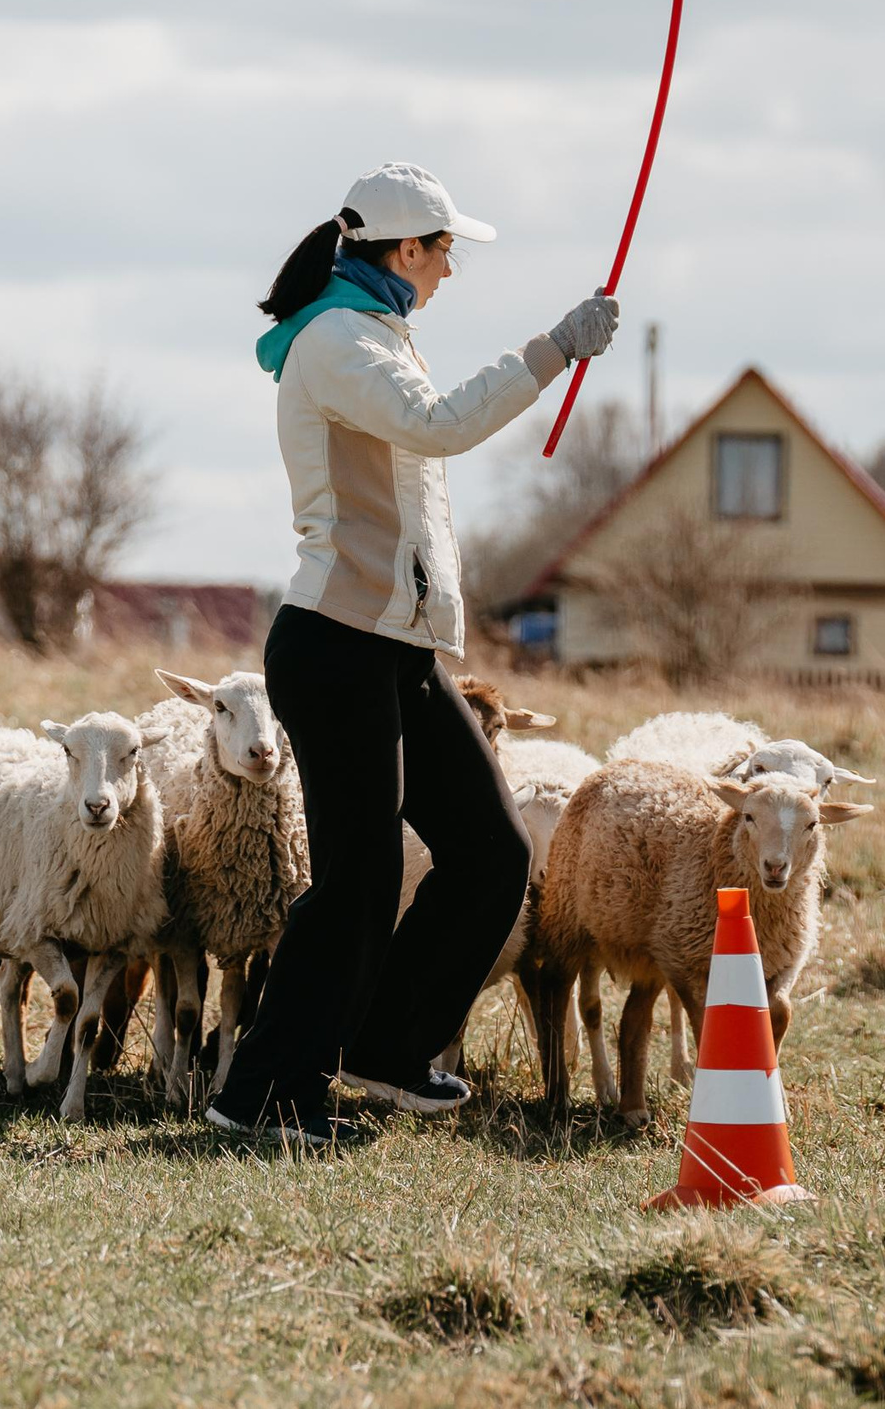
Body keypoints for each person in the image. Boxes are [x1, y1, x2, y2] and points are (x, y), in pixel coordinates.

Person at [204, 162, 620, 1148]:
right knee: (355, 883)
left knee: (491, 851)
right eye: (442, 251)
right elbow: (441, 427)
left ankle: (387, 1046)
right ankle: (262, 1097)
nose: (448, 269)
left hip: (395, 646)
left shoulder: (376, 337)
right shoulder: (337, 343)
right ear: (402, 250)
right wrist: (554, 349)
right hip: (336, 644)